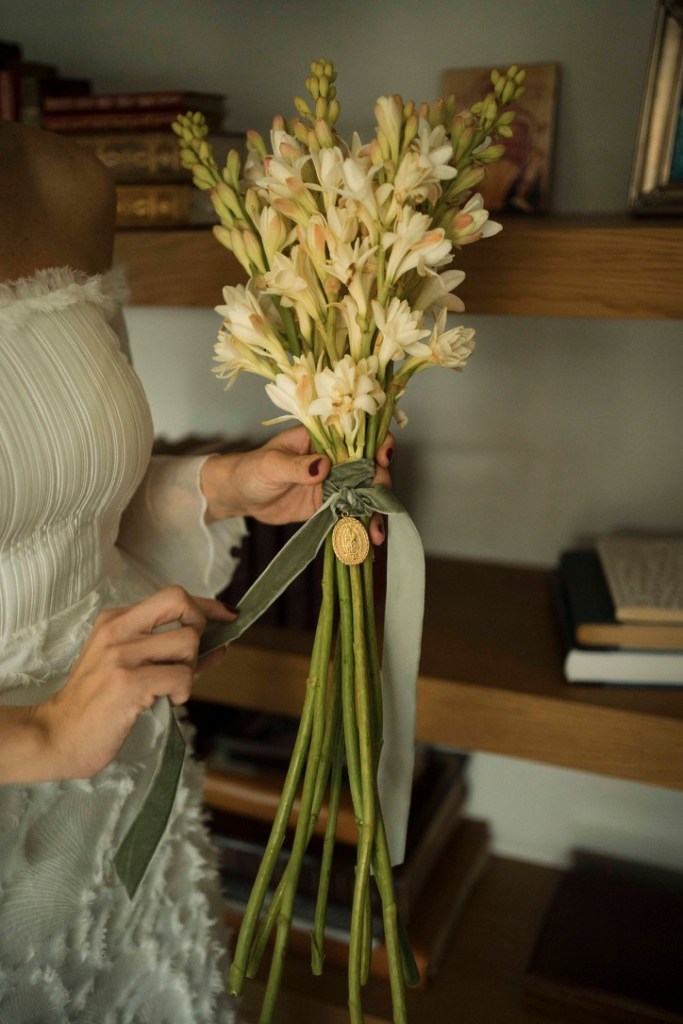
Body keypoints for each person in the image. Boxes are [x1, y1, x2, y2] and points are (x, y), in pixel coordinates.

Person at [0, 120, 392, 1023]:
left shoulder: (61, 180)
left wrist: (223, 486)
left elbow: (69, 502)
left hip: (123, 778)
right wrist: (47, 737)